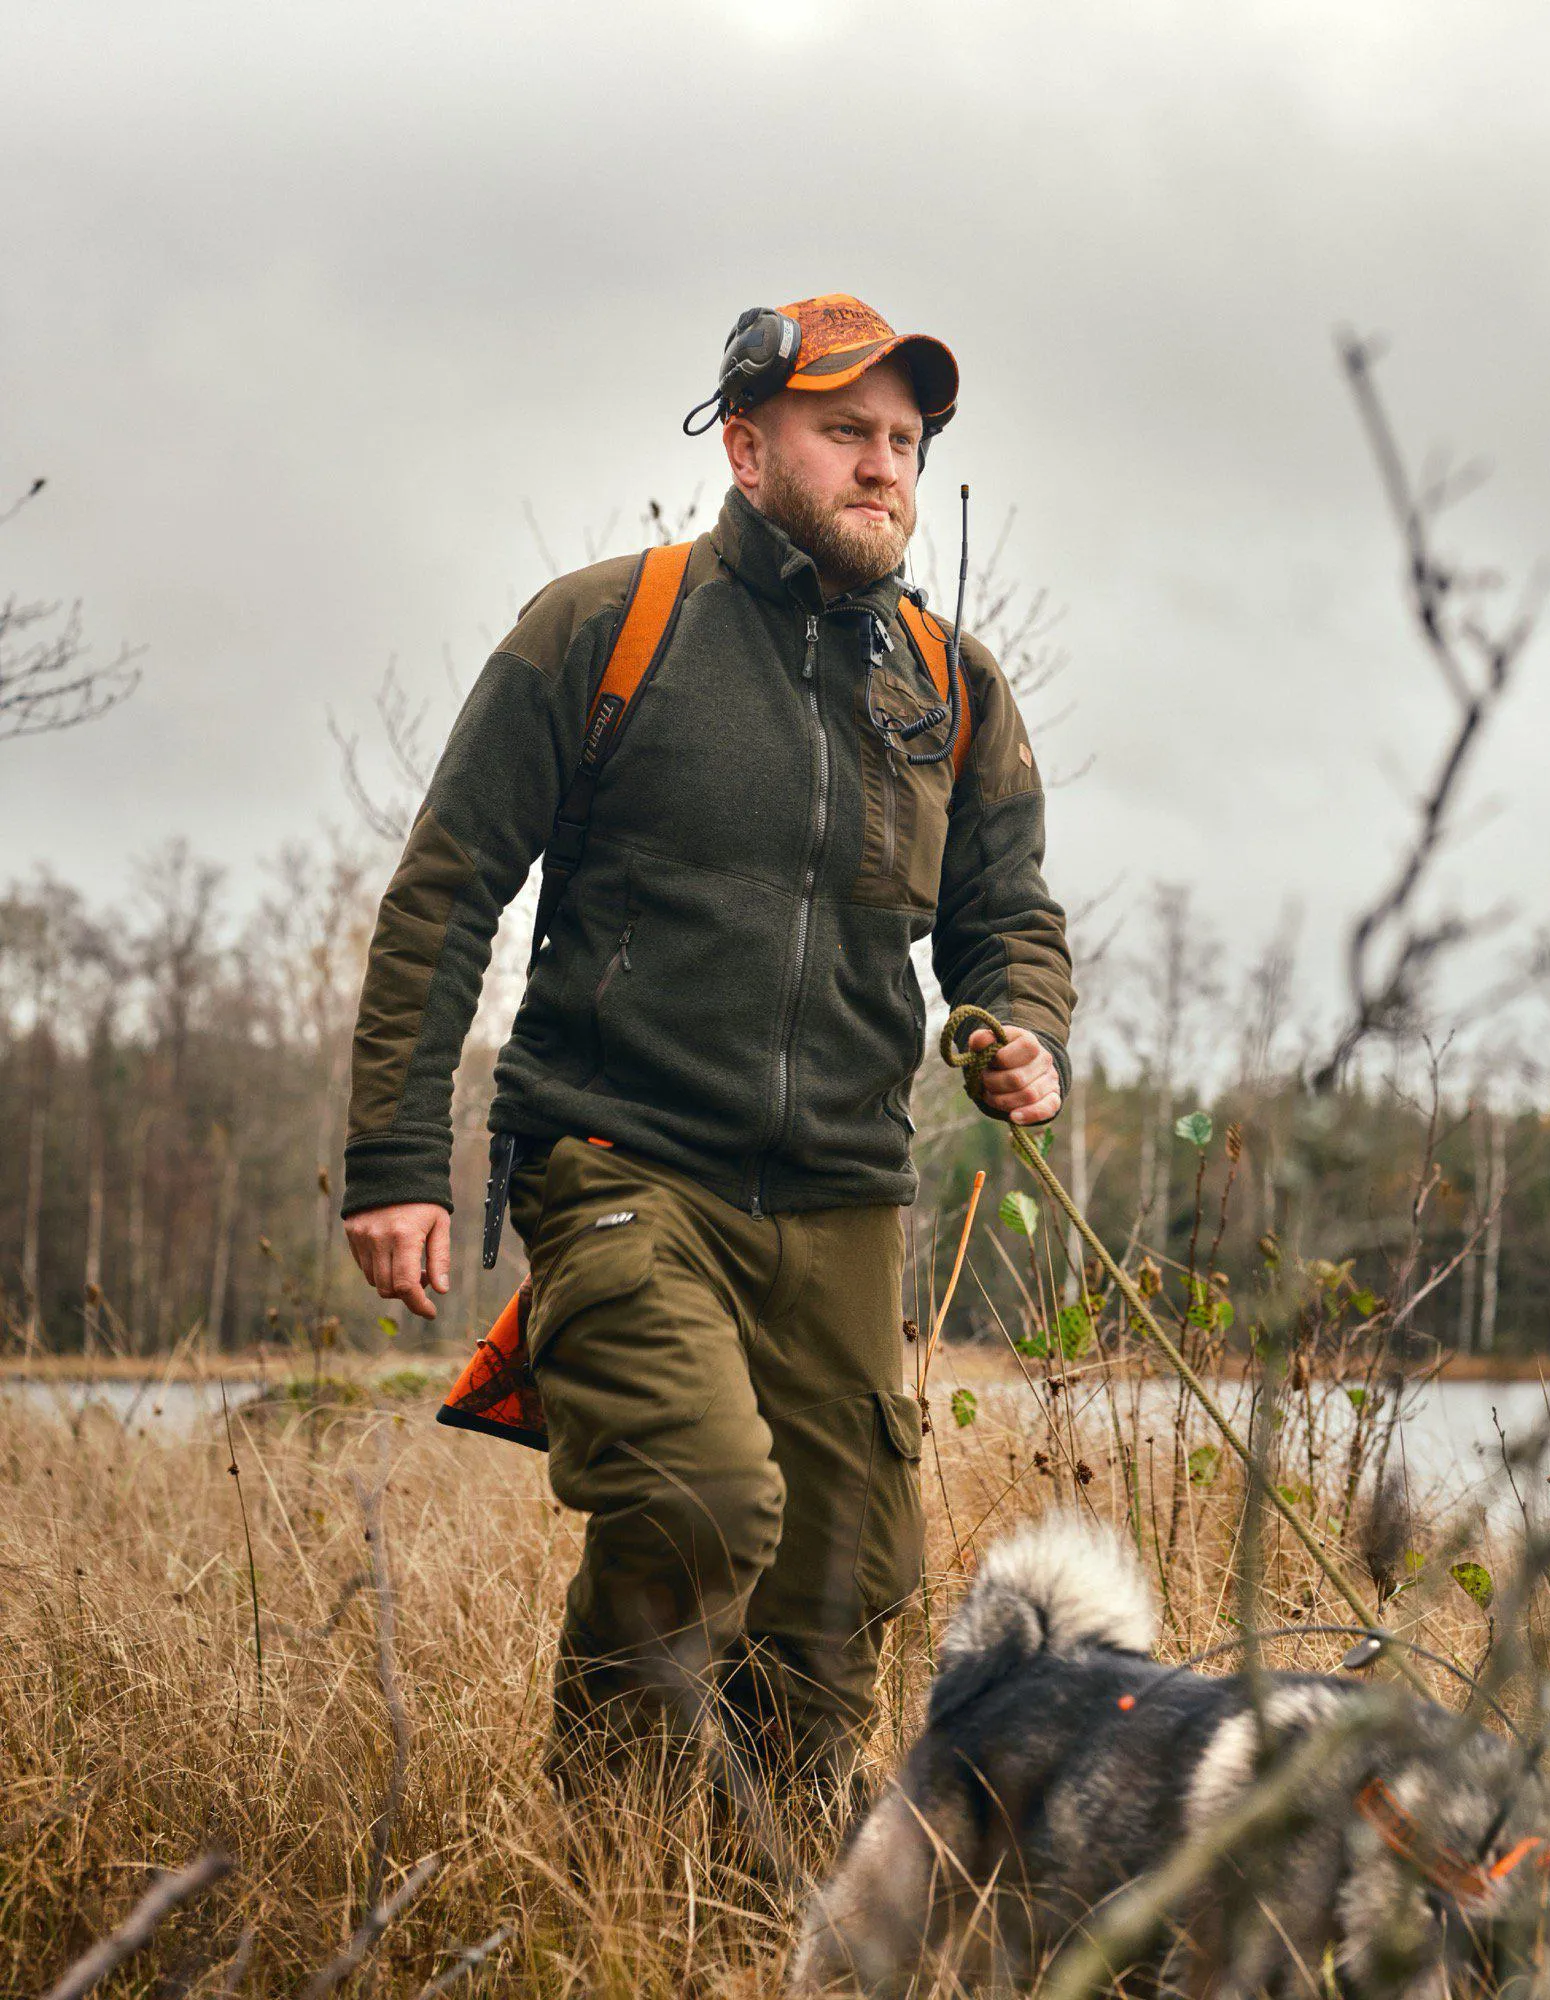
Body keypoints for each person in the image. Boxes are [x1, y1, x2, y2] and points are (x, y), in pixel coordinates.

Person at [341, 294, 1076, 1798]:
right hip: (625, 1163)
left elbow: (1008, 918)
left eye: (904, 441)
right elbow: (447, 887)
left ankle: (763, 1918)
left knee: (834, 1602)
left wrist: (1022, 1027)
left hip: (843, 1198)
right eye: (844, 432)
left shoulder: (952, 686)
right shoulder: (608, 628)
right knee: (698, 1500)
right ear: (747, 447)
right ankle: (600, 1870)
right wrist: (398, 1159)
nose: (884, 466)